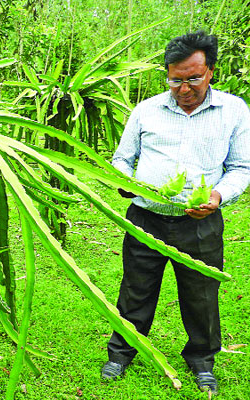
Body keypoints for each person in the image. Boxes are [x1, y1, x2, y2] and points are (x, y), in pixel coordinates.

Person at [101, 30, 250, 394]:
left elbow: (242, 167)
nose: (184, 88)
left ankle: (202, 361)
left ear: (210, 71)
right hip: (145, 218)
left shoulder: (233, 110)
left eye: (193, 78)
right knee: (136, 290)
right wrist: (125, 182)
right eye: (175, 79)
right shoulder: (146, 110)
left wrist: (218, 195)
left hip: (200, 222)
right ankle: (121, 354)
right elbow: (122, 159)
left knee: (201, 294)